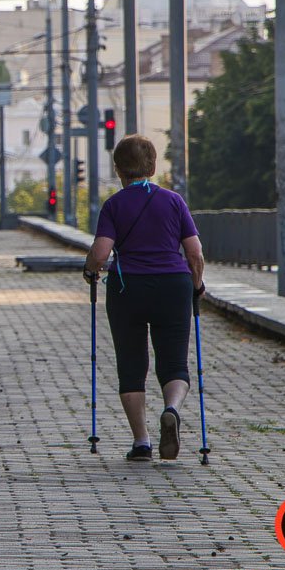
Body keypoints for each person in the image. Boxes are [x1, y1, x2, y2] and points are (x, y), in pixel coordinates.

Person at [83, 135, 205, 462]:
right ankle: (171, 409)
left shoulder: (114, 205)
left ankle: (142, 442)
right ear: (152, 167)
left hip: (128, 289)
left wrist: (91, 270)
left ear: (119, 169)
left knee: (132, 365)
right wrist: (196, 285)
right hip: (174, 286)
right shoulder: (174, 201)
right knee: (175, 361)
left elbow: (101, 252)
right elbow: (194, 253)